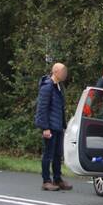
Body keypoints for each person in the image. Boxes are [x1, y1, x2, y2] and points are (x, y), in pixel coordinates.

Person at [34, 62, 70, 192]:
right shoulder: (47, 86)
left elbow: (59, 108)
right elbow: (42, 108)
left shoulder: (59, 86)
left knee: (57, 154)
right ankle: (46, 180)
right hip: (50, 126)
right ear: (55, 72)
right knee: (48, 154)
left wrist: (63, 125)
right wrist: (45, 127)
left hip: (58, 126)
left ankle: (57, 179)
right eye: (62, 71)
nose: (65, 74)